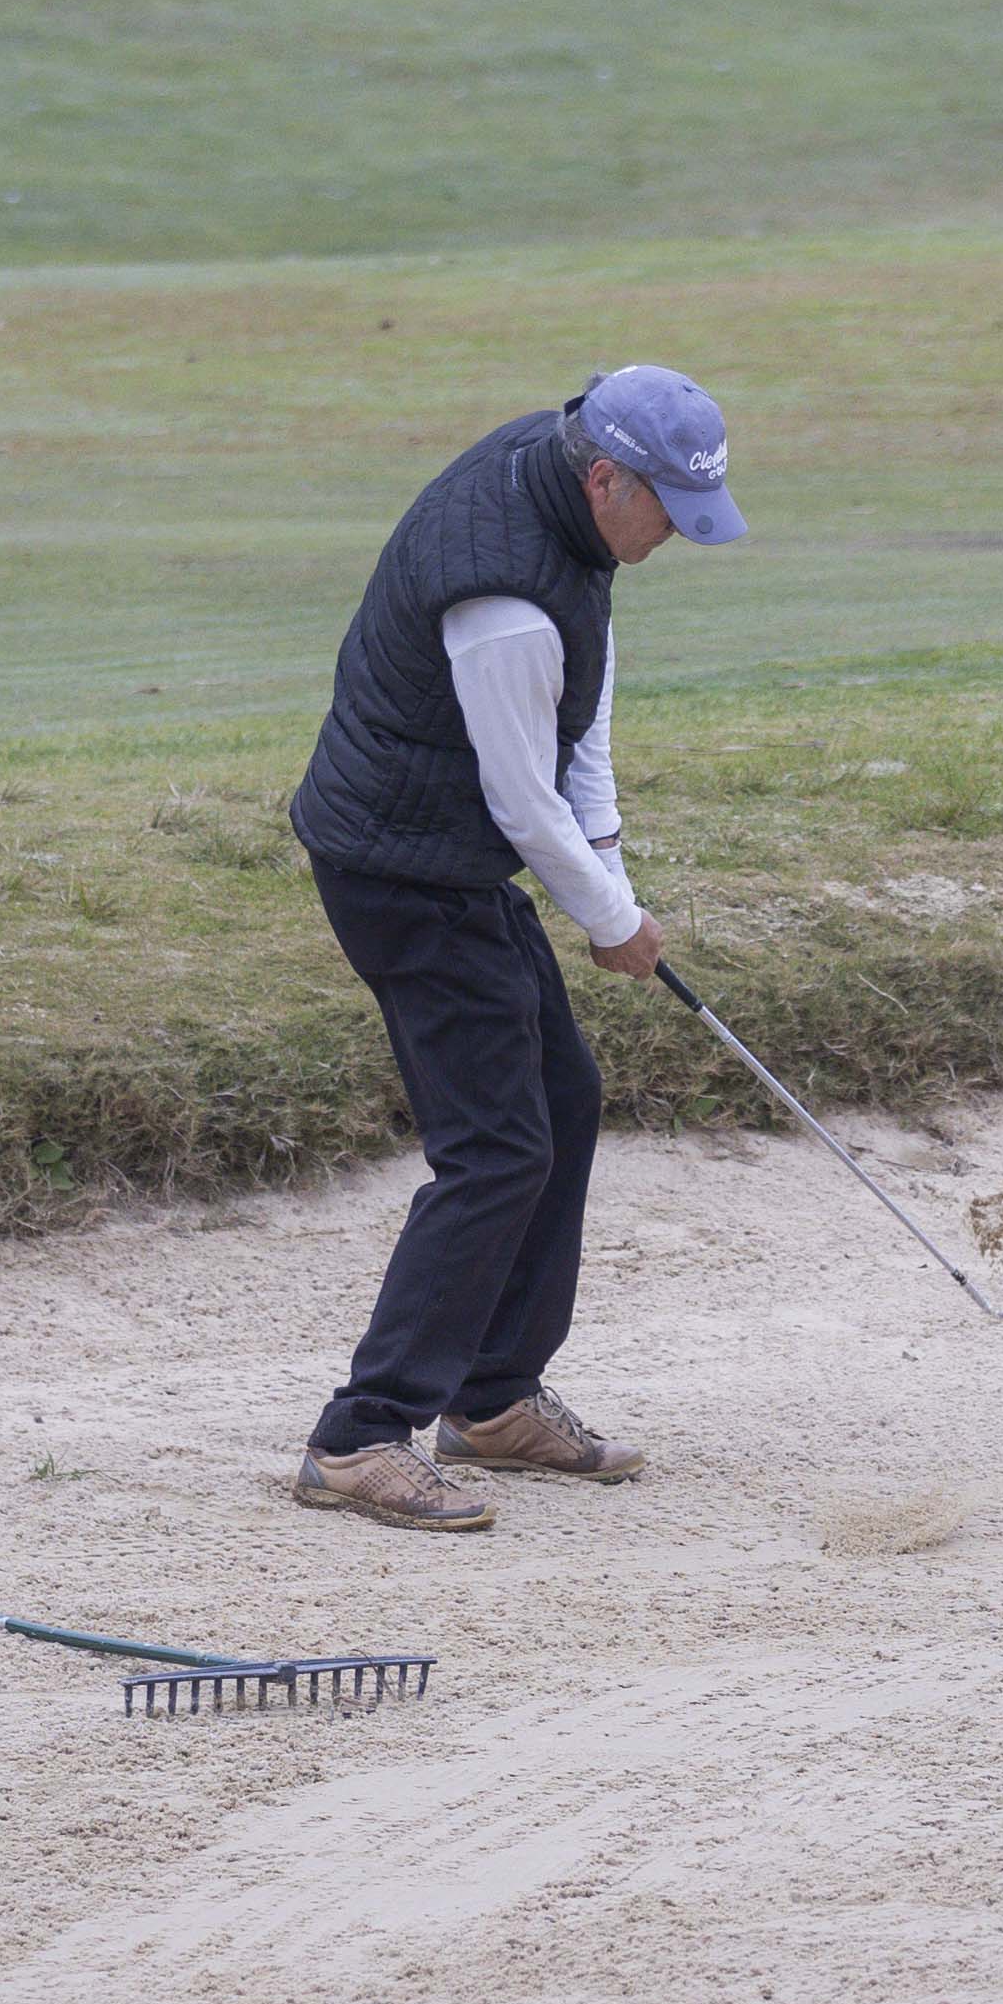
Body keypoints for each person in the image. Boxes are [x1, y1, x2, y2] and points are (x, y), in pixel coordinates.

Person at [280, 364, 744, 1530]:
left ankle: (489, 1402)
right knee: (495, 1148)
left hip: (448, 851)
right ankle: (361, 1435)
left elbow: (578, 732)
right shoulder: (504, 603)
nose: (673, 540)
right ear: (606, 478)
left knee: (563, 1099)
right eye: (667, 516)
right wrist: (610, 921)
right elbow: (523, 797)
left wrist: (614, 887)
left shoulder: (564, 507)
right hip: (400, 870)